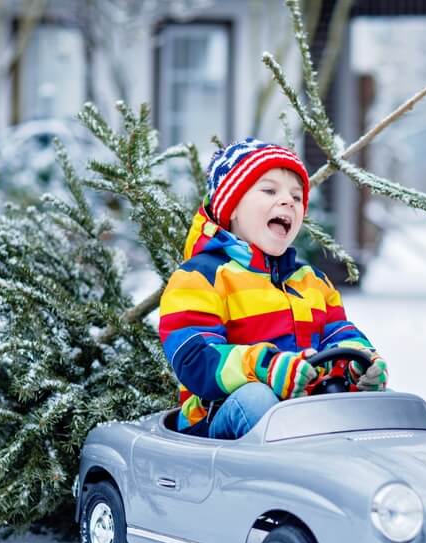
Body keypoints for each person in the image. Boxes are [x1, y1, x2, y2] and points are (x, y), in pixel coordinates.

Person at [158, 138, 388, 439]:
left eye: (296, 196)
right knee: (259, 400)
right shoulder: (200, 277)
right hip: (219, 421)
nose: (288, 201)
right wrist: (266, 367)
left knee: (382, 405)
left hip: (305, 416)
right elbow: (195, 359)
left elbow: (338, 333)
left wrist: (359, 362)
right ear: (233, 207)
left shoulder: (311, 281)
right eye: (269, 190)